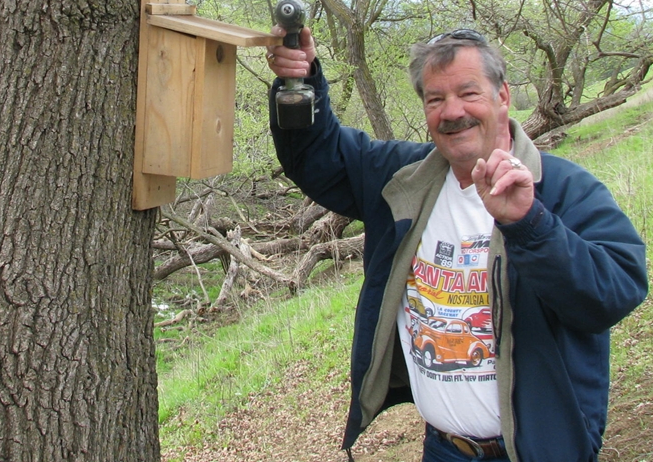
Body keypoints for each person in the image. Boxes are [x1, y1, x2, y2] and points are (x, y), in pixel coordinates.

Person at [265, 27, 648, 462]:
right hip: (443, 448)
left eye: (468, 93)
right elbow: (318, 158)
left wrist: (530, 224)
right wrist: (301, 81)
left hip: (539, 449)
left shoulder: (561, 189)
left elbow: (615, 293)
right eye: (435, 99)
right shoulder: (403, 179)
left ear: (502, 96)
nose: (452, 112)